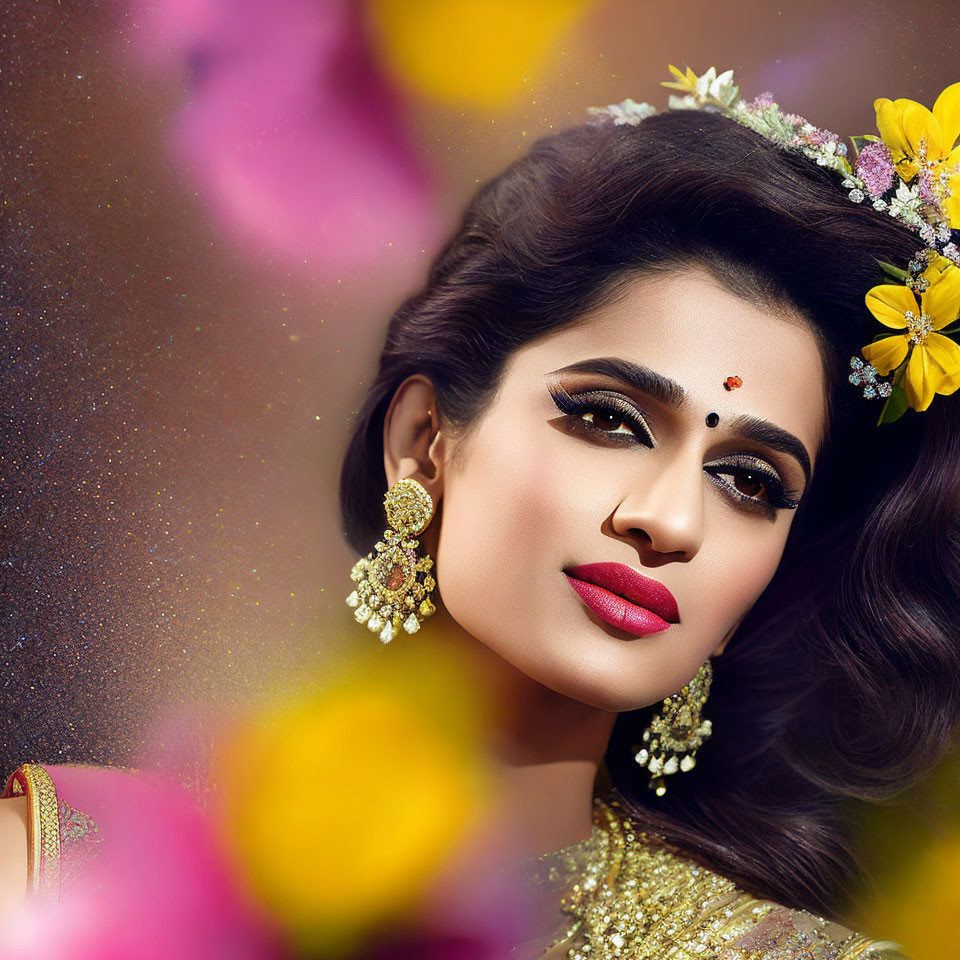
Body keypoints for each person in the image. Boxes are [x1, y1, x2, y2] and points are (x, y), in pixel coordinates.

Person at [4, 65, 960, 959]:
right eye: (610, 419)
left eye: (749, 481)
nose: (669, 521)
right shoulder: (67, 866)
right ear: (425, 438)